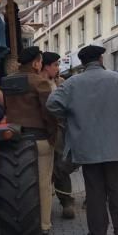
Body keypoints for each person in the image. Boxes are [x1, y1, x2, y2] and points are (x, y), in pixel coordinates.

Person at [47, 44, 118, 235]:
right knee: (117, 191)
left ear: (82, 62)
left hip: (86, 147)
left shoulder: (72, 83)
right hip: (114, 146)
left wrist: (69, 118)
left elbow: (51, 104)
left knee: (94, 192)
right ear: (101, 59)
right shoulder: (117, 80)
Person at [3, 47, 57, 235]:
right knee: (43, 182)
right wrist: (53, 136)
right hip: (39, 138)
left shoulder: (7, 82)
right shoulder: (40, 82)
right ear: (35, 63)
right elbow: (48, 112)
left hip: (15, 138)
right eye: (40, 61)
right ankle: (43, 224)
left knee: (19, 183)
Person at [40, 51, 77, 220]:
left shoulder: (60, 82)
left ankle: (66, 202)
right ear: (46, 66)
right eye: (55, 64)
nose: (58, 68)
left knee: (61, 164)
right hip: (43, 131)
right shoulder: (38, 83)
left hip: (60, 129)